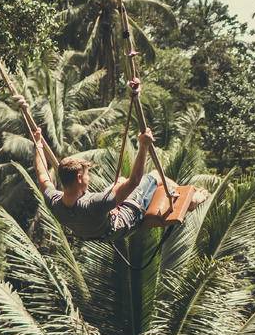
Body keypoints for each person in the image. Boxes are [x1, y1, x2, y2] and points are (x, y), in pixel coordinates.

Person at [20, 93, 204, 240]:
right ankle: (187, 201)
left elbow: (42, 174)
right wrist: (143, 146)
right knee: (155, 175)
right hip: (125, 222)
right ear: (78, 178)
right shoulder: (93, 203)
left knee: (120, 182)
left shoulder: (55, 200)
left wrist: (38, 144)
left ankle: (175, 195)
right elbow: (135, 181)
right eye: (87, 175)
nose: (88, 178)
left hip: (96, 229)